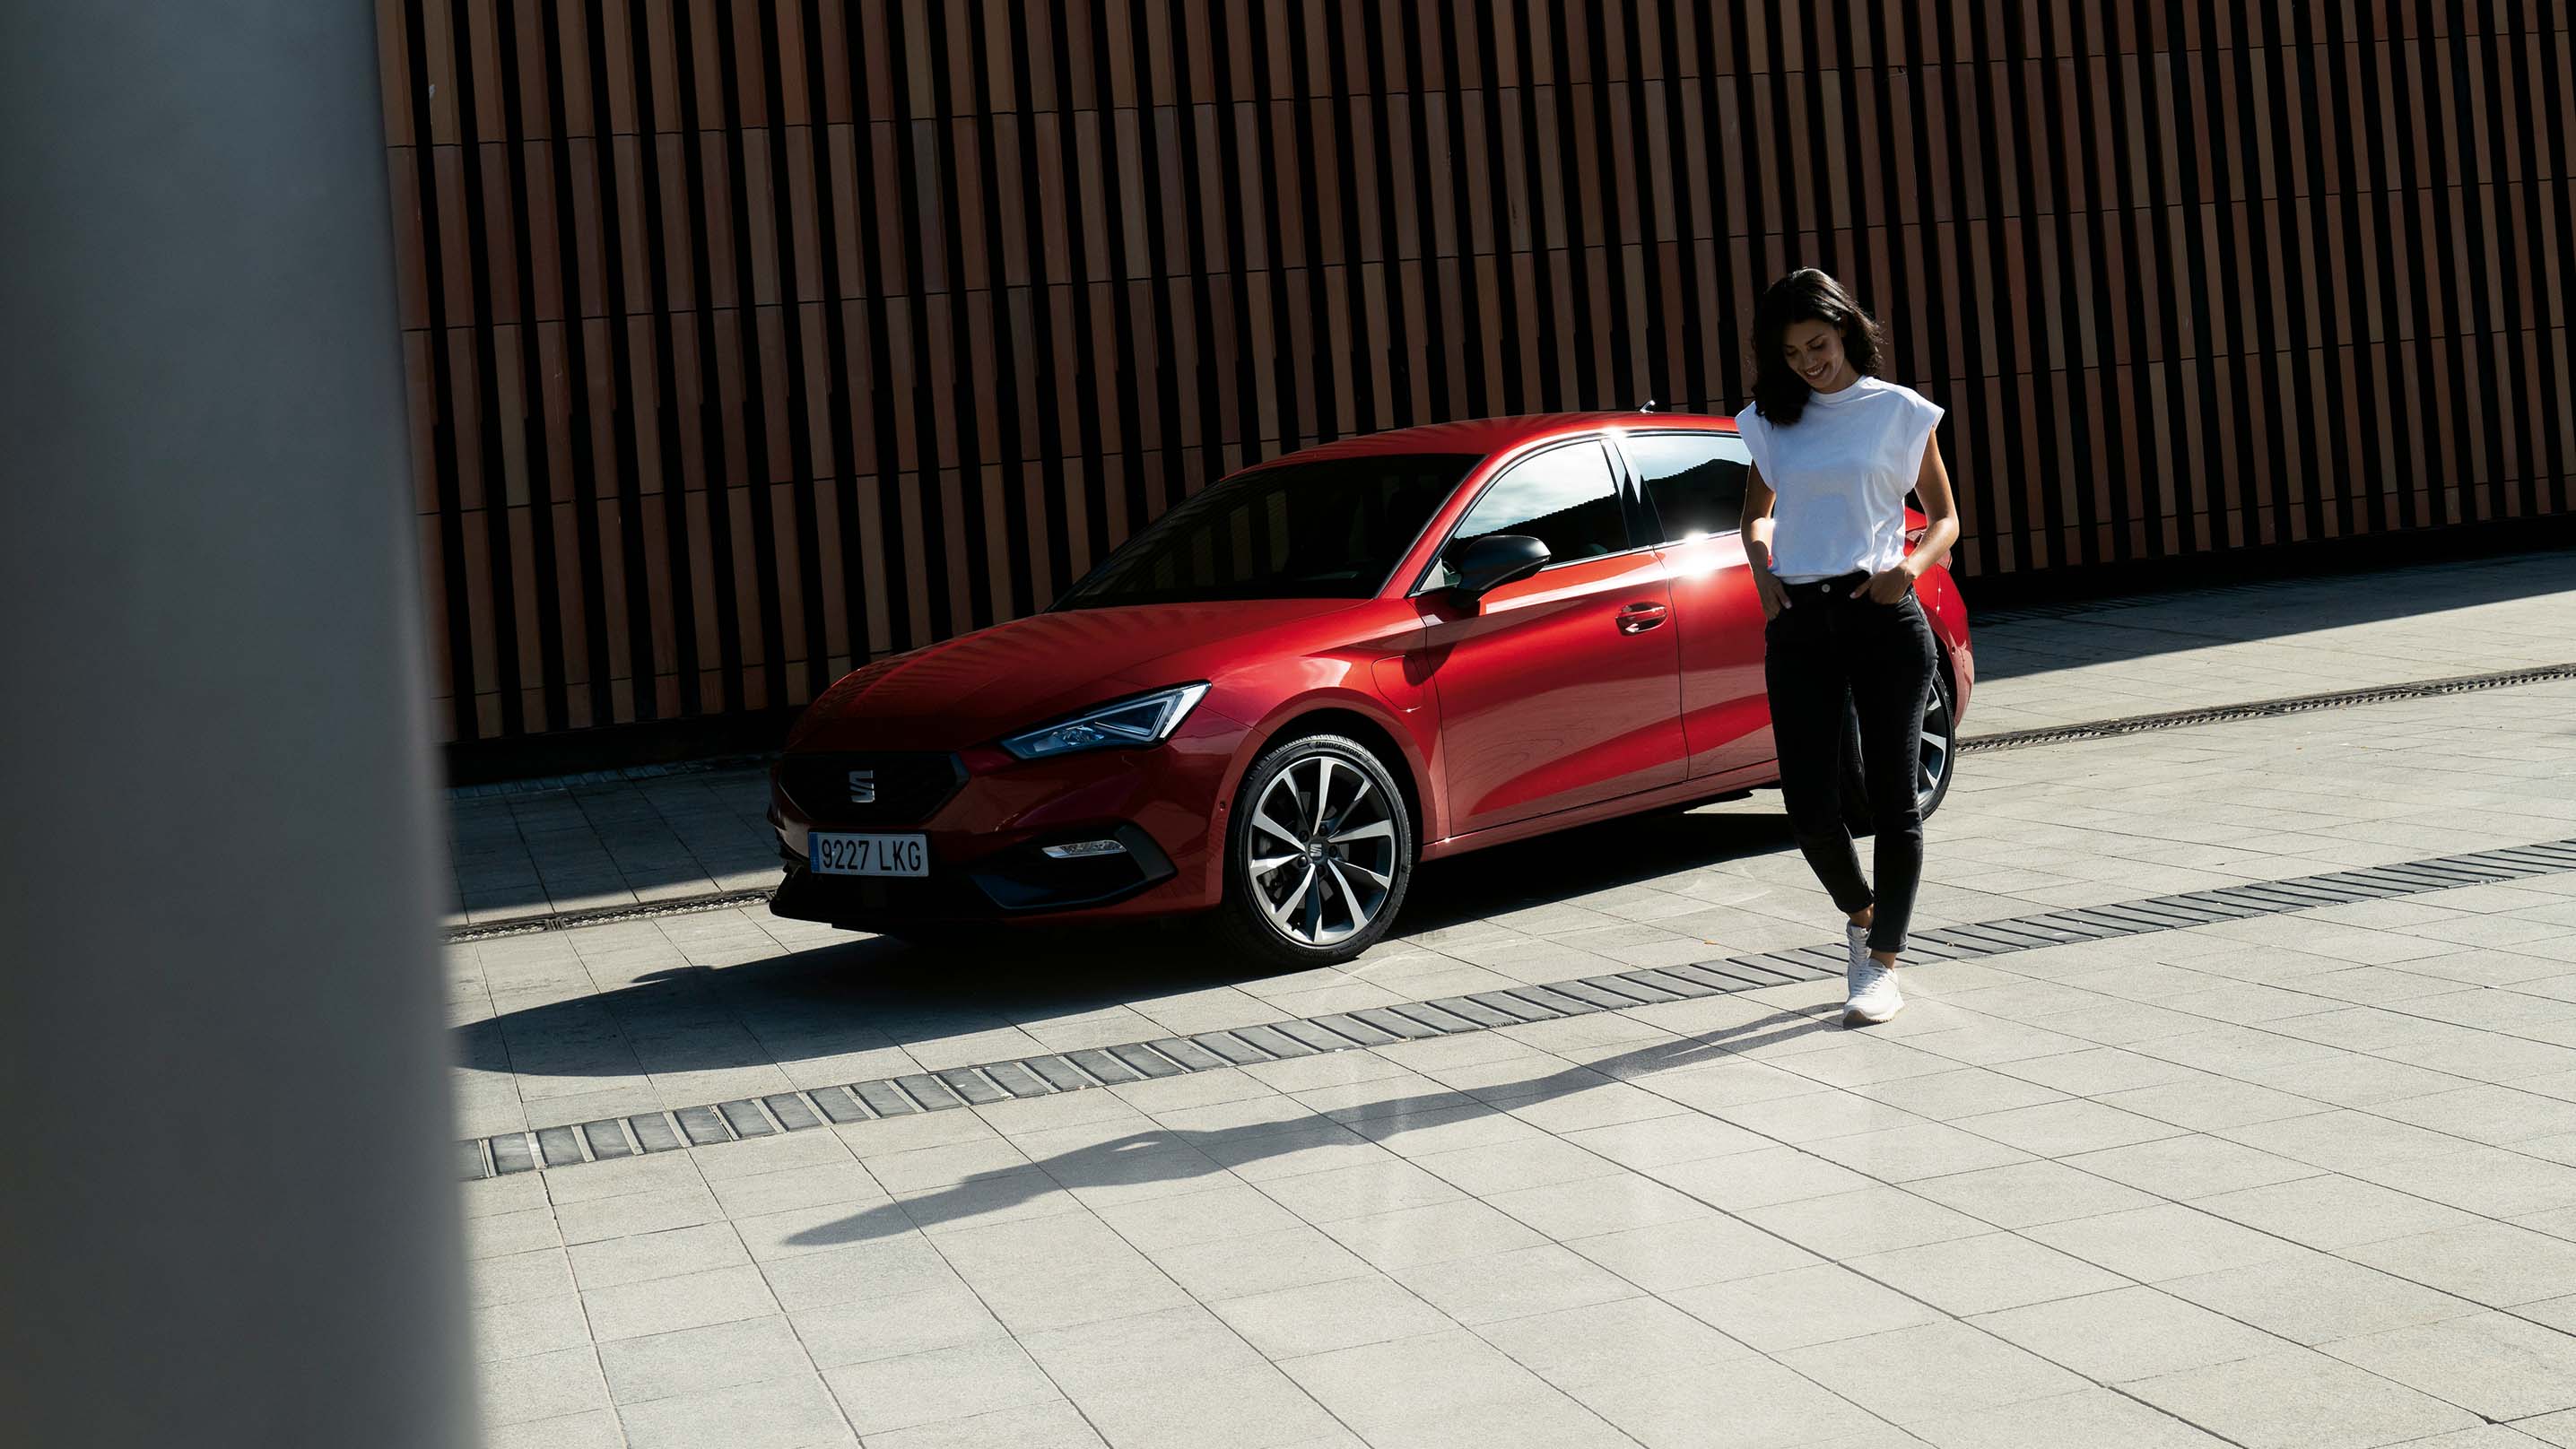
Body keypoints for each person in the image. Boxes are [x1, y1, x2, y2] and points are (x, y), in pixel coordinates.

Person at [1735, 269, 1962, 1026]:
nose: (1809, 362)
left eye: (1819, 344)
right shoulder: (1771, 420)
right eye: (1793, 351)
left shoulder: (1898, 411)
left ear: (1846, 331)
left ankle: (1883, 963)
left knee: (1896, 804)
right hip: (1801, 621)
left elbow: (1945, 520)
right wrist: (1762, 568)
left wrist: (1912, 567)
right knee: (1808, 807)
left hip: (1882, 616)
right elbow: (1757, 516)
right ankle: (1862, 921)